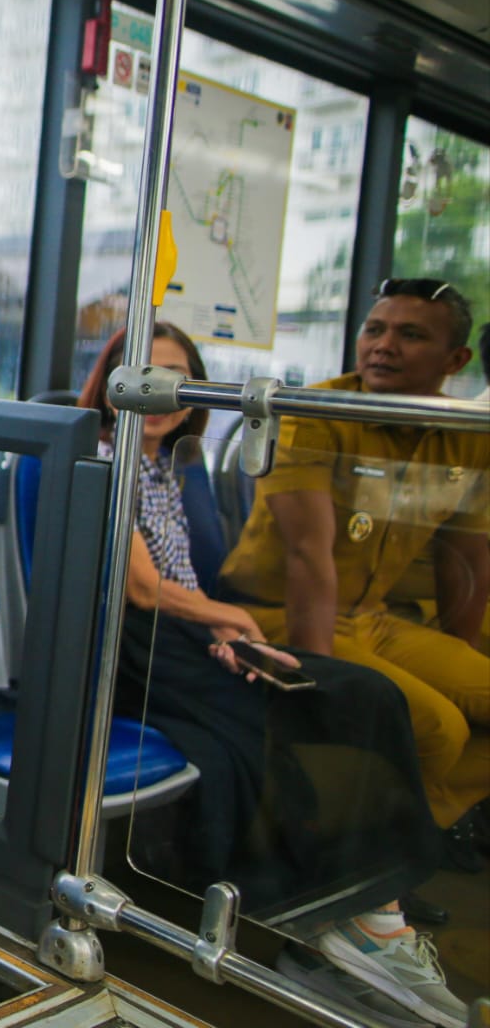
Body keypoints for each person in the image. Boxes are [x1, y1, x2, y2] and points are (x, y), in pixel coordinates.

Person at [82, 323, 463, 1028]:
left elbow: (184, 581)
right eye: (149, 377)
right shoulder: (108, 460)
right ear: (116, 385)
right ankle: (354, 922)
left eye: (178, 378)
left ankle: (363, 912)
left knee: (368, 695)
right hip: (136, 652)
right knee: (312, 712)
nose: (164, 395)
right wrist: (231, 618)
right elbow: (141, 590)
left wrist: (224, 629)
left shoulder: (172, 466)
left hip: (191, 635)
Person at [219, 279, 490, 861]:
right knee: (441, 729)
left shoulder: (466, 433)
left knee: (473, 702)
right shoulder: (317, 412)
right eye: (375, 329)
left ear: (455, 359)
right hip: (280, 614)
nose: (382, 346)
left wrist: (458, 659)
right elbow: (306, 556)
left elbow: (463, 553)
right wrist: (321, 682)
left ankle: (397, 848)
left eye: (410, 335)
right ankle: (356, 867)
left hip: (372, 616)